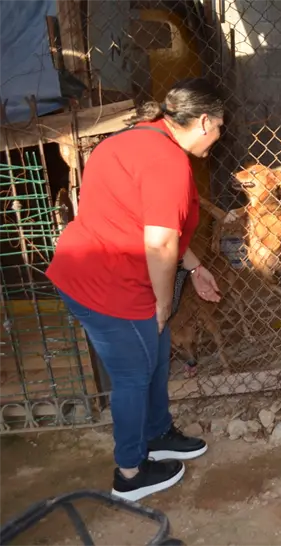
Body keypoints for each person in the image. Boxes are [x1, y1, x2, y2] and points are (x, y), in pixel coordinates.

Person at [46, 78, 225, 501]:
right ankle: (130, 472)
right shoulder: (167, 161)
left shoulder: (134, 140)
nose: (218, 136)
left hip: (98, 271)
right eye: (219, 127)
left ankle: (157, 431)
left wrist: (195, 266)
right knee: (133, 375)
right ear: (202, 121)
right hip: (110, 287)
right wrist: (163, 302)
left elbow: (140, 218)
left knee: (156, 356)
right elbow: (159, 241)